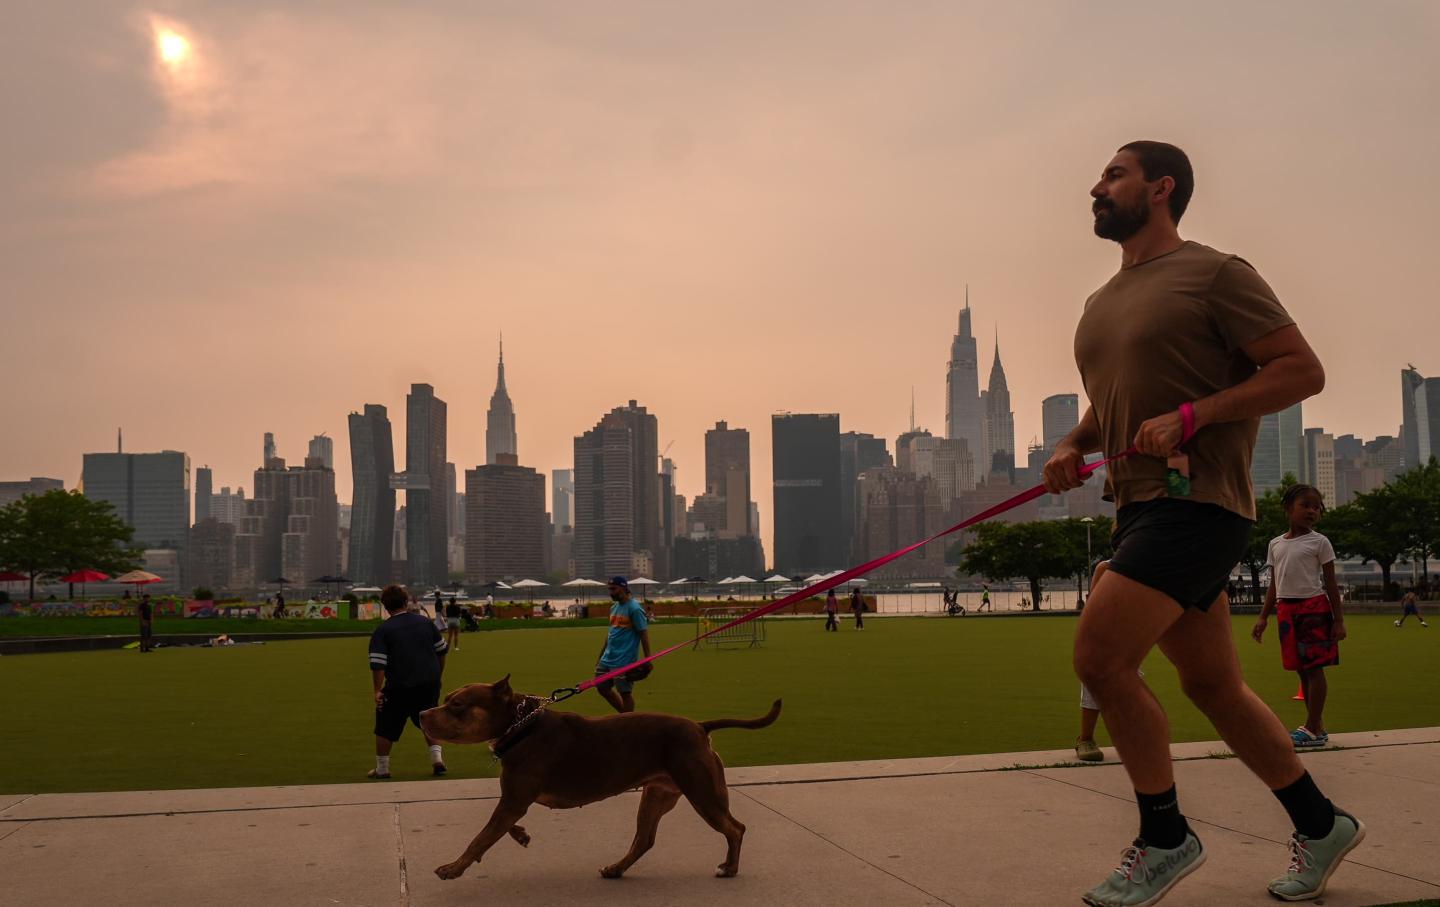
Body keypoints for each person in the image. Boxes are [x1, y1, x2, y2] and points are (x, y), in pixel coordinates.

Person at [1045, 141, 1360, 905]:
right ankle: (1321, 825)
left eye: (1113, 174)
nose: (1096, 186)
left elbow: (1300, 368)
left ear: (1162, 188)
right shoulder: (1100, 302)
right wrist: (1074, 442)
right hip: (1139, 507)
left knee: (1100, 657)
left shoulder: (1216, 273)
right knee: (1214, 684)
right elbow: (1119, 393)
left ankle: (1164, 837)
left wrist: (1197, 414)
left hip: (1197, 504)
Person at [1253, 484, 1346, 750]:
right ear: (1288, 508)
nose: (1312, 511)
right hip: (1286, 610)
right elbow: (1274, 584)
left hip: (1313, 608)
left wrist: (1338, 620)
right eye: (1305, 505)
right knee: (1301, 670)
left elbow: (1330, 583)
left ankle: (1311, 727)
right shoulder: (1275, 544)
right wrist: (1263, 617)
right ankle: (1317, 727)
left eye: (1317, 507)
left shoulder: (1320, 542)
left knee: (1314, 669)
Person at [367, 584, 448, 779]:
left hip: (398, 686)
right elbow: (442, 651)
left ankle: (382, 768)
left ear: (385, 605)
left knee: (386, 725)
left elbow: (378, 664)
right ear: (406, 602)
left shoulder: (383, 630)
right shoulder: (425, 623)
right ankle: (437, 760)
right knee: (429, 720)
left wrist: (378, 690)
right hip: (429, 683)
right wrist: (437, 675)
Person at [593, 577, 652, 713]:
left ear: (624, 588)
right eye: (609, 589)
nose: (610, 592)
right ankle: (624, 716)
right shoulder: (614, 607)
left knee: (624, 693)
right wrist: (601, 655)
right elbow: (611, 634)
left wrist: (648, 658)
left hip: (624, 660)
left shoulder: (634, 609)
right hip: (607, 658)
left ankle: (628, 722)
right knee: (601, 687)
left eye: (614, 589)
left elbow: (643, 633)